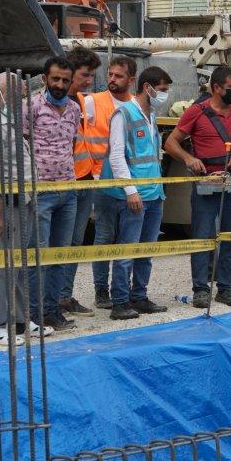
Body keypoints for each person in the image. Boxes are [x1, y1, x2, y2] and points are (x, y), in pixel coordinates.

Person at [0, 73, 55, 345]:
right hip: (2, 204)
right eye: (18, 96)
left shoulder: (6, 122)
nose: (22, 101)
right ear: (0, 94)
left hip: (20, 202)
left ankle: (18, 321)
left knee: (16, 266)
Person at [164, 65, 231, 309]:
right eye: (230, 88)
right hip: (205, 182)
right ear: (216, 88)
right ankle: (201, 289)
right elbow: (171, 142)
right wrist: (189, 159)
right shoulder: (197, 112)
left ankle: (226, 289)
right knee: (202, 237)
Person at [97, 66, 173, 320]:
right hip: (135, 195)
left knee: (145, 252)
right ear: (147, 87)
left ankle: (138, 296)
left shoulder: (151, 115)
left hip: (153, 194)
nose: (165, 95)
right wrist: (130, 191)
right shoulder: (124, 114)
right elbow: (117, 155)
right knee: (126, 250)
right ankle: (120, 301)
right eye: (162, 90)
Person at [26, 56, 81, 332]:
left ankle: (52, 311)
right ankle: (34, 315)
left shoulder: (73, 109)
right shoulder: (32, 106)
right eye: (55, 79)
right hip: (41, 193)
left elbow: (71, 145)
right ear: (45, 79)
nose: (60, 84)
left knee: (60, 255)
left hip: (68, 192)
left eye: (65, 80)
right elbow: (22, 146)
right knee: (38, 257)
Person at [87, 55, 139, 310]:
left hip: (128, 183)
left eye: (118, 76)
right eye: (110, 74)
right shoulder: (93, 102)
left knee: (125, 241)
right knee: (104, 238)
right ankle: (101, 290)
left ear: (131, 79)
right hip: (102, 181)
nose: (112, 80)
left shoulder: (134, 107)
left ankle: (122, 288)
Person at [54, 46, 102, 317]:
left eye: (91, 75)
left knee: (74, 243)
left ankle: (64, 297)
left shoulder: (83, 102)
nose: (89, 81)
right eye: (85, 75)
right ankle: (51, 299)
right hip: (64, 184)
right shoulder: (55, 105)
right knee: (59, 244)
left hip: (84, 181)